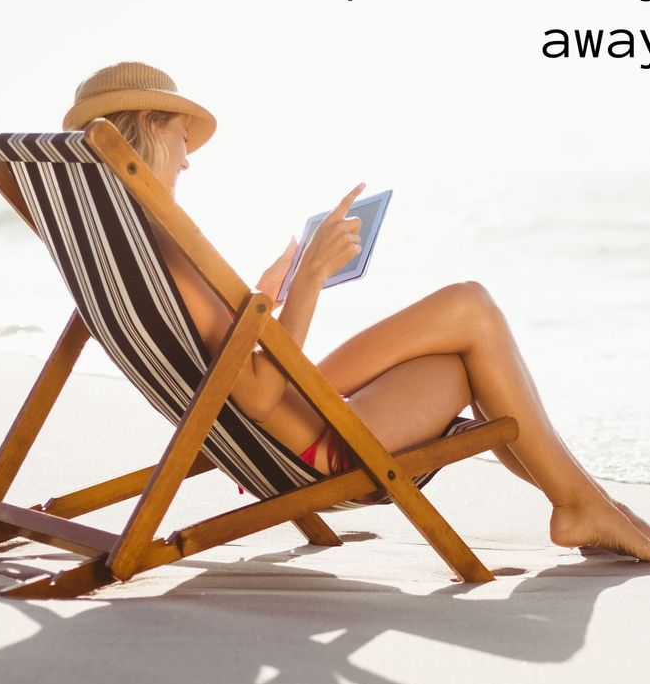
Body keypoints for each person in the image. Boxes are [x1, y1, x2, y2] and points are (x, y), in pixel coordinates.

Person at [63, 61, 650, 561]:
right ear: (146, 128)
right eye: (182, 141)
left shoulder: (121, 240)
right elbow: (260, 394)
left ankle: (585, 503)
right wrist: (312, 277)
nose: (187, 161)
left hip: (285, 427)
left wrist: (269, 296)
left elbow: (233, 366)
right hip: (318, 449)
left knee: (468, 320)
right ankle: (584, 505)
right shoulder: (168, 243)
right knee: (470, 312)